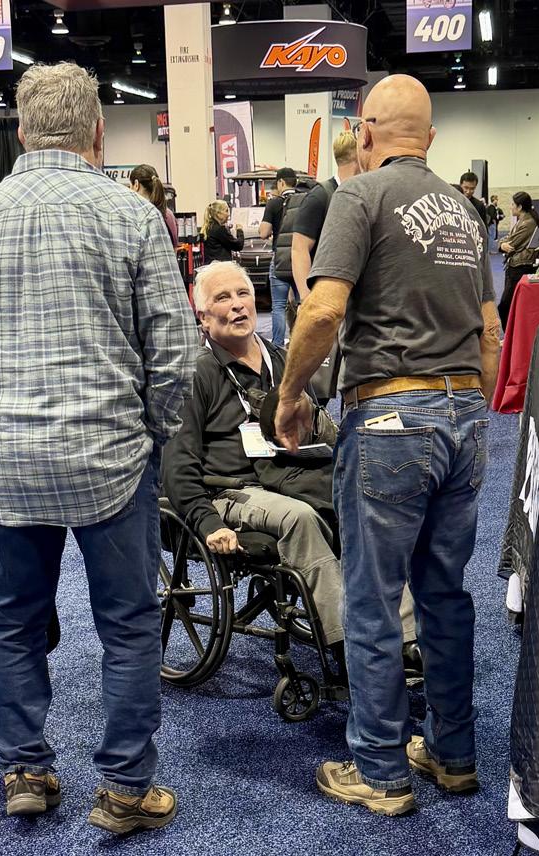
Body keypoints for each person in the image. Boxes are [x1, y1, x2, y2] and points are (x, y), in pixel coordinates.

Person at [0, 62, 197, 831]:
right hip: (111, 456)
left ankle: (25, 771)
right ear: (97, 131)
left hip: (8, 461)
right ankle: (127, 788)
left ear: (19, 131)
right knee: (128, 626)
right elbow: (175, 357)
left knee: (12, 621)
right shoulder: (134, 215)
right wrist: (151, 435)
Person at [275, 74, 501, 816]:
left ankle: (379, 770)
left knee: (372, 603)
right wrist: (469, 406)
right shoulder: (467, 212)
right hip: (465, 417)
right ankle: (453, 754)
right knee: (445, 595)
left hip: (390, 418)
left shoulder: (360, 196)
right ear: (430, 139)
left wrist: (289, 394)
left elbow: (322, 310)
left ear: (365, 133)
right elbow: (491, 331)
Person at [162, 260, 419, 671]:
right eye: (223, 298)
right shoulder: (196, 373)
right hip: (231, 488)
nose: (237, 305)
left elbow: (320, 429)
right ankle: (349, 649)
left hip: (291, 474)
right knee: (300, 518)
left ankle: (406, 638)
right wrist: (207, 523)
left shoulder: (281, 359)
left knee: (364, 502)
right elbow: (176, 465)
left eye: (243, 294)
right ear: (203, 317)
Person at [291, 132, 361, 299]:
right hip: (325, 295)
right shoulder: (320, 195)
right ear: (358, 156)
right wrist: (307, 298)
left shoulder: (362, 194)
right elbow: (299, 249)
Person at [260, 167, 303, 346]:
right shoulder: (305, 201)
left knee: (278, 305)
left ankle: (277, 345)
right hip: (301, 259)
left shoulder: (274, 203)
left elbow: (263, 232)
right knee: (303, 303)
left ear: (281, 183)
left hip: (280, 260)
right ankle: (300, 342)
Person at [498, 191, 539, 331]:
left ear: (519, 207)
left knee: (505, 306)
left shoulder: (528, 223)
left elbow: (511, 244)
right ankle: (510, 335)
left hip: (520, 267)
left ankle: (509, 336)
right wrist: (502, 244)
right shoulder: (523, 221)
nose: (510, 207)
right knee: (510, 305)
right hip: (516, 266)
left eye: (513, 204)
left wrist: (502, 244)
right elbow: (506, 241)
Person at [130, 163, 178, 249]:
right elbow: (174, 249)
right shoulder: (169, 215)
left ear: (136, 185)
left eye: (130, 187)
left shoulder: (139, 216)